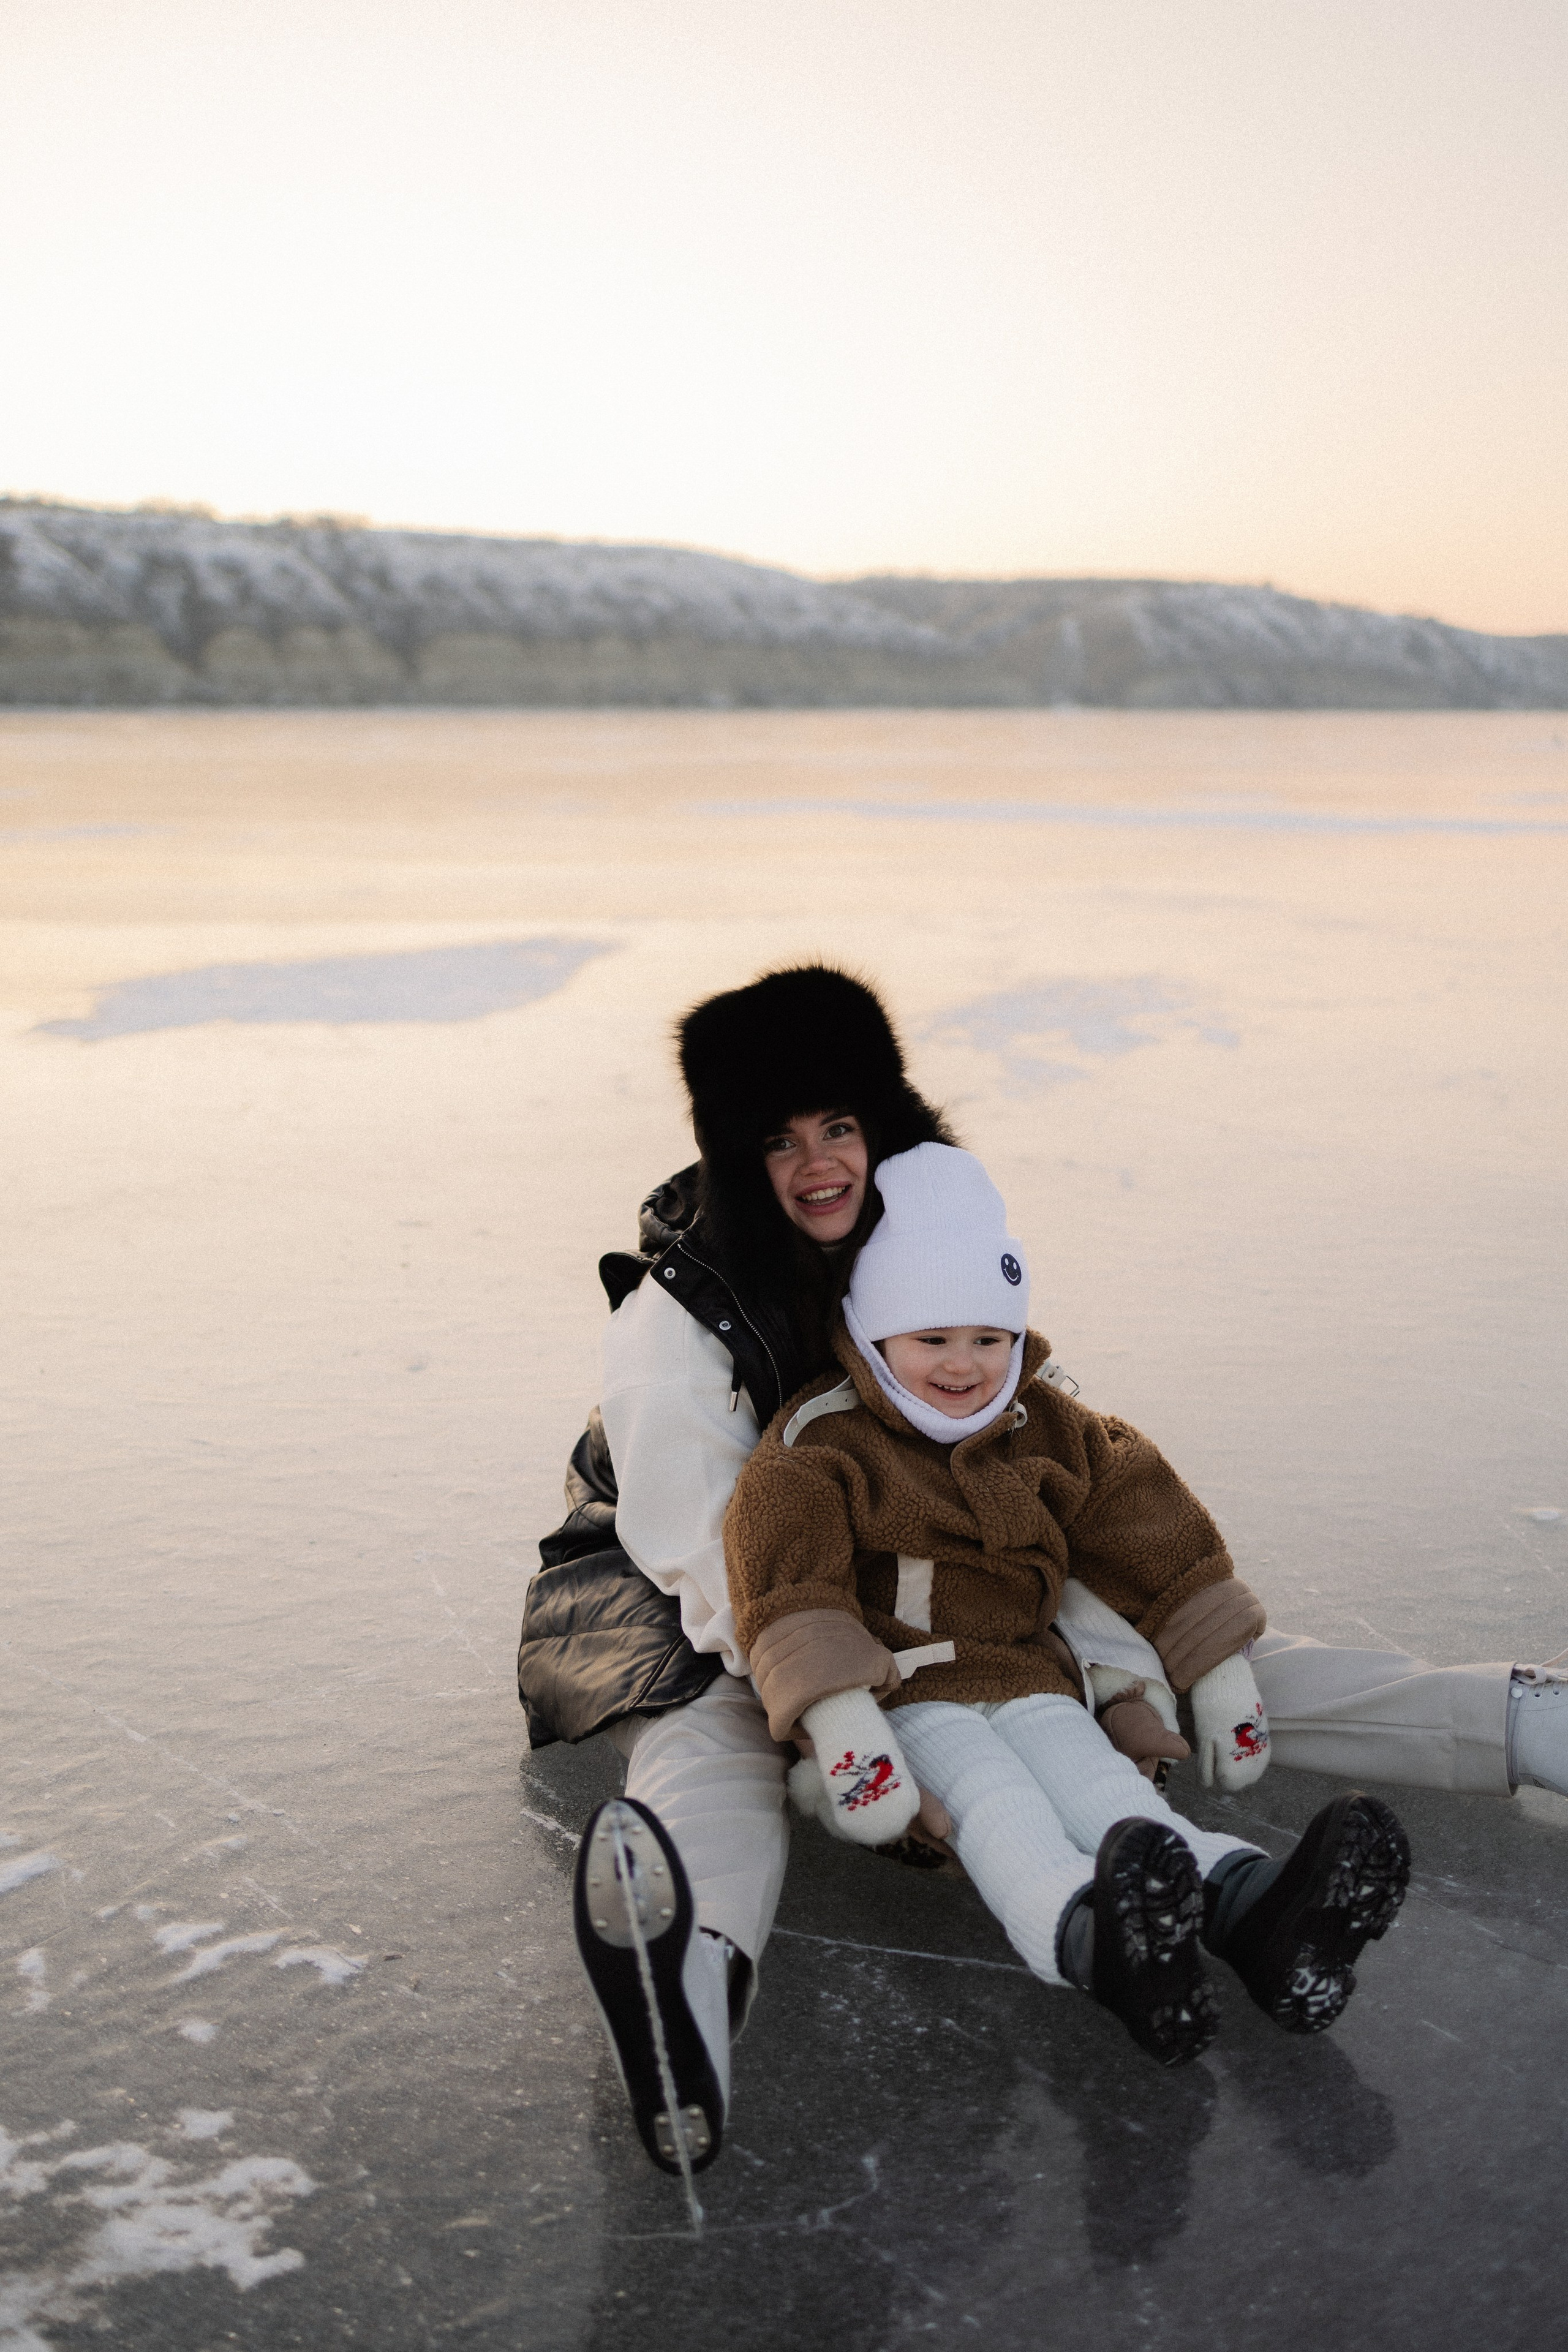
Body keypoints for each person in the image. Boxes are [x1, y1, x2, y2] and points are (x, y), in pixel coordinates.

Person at [517, 963, 1567, 2176]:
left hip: (920, 1547)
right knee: (722, 1731)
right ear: (728, 1153)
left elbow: (1043, 1461)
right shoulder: (675, 1317)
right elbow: (704, 1552)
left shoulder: (936, 1232)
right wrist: (854, 1710)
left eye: (840, 1126)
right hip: (698, 1581)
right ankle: (681, 1972)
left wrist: (1106, 1653)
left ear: (882, 1119)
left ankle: (1517, 1719)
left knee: (1189, 1651)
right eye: (777, 1139)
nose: (816, 1165)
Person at [723, 1139, 1411, 2071]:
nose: (964, 1366)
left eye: (988, 1337)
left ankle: (1261, 1916)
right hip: (912, 1694)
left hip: (1032, 1675)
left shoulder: (1050, 1426)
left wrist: (1216, 1671)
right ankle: (1101, 1948)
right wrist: (844, 1730)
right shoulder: (821, 1441)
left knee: (1110, 1797)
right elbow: (789, 1582)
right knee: (1002, 1811)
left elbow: (1151, 1533)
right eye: (933, 1339)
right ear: (875, 1334)